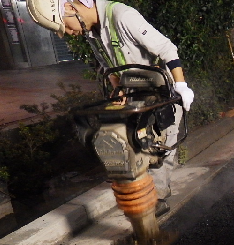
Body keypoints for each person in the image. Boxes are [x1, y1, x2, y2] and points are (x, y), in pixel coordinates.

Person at [27, 0, 194, 217]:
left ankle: (157, 198)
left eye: (66, 26)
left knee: (158, 148)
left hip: (161, 94)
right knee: (132, 145)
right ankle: (144, 196)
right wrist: (119, 91)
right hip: (135, 96)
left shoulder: (122, 16)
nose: (69, 32)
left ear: (70, 7)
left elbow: (166, 49)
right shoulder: (93, 34)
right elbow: (109, 66)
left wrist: (181, 87)